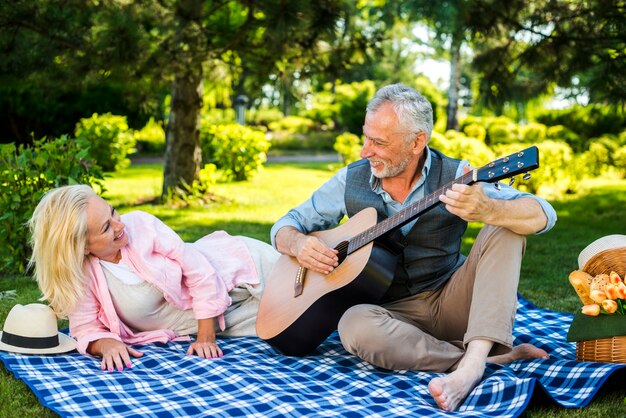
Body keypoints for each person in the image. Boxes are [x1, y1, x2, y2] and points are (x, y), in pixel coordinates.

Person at [270, 83, 557, 412]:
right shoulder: (350, 179)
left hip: (453, 299)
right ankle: (483, 358)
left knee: (506, 228)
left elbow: (544, 214)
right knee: (351, 325)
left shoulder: (460, 176)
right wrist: (298, 242)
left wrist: (490, 210)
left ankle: (473, 365)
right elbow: (285, 224)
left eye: (378, 142)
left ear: (417, 141)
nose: (365, 151)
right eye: (366, 138)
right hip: (392, 316)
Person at [29, 184, 279, 372]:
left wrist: (205, 338)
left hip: (243, 272)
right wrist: (106, 345)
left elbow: (200, 272)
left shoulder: (141, 225)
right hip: (234, 318)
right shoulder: (83, 277)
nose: (119, 225)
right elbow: (84, 328)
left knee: (312, 289)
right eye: (106, 227)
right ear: (82, 246)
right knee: (296, 330)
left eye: (113, 212)